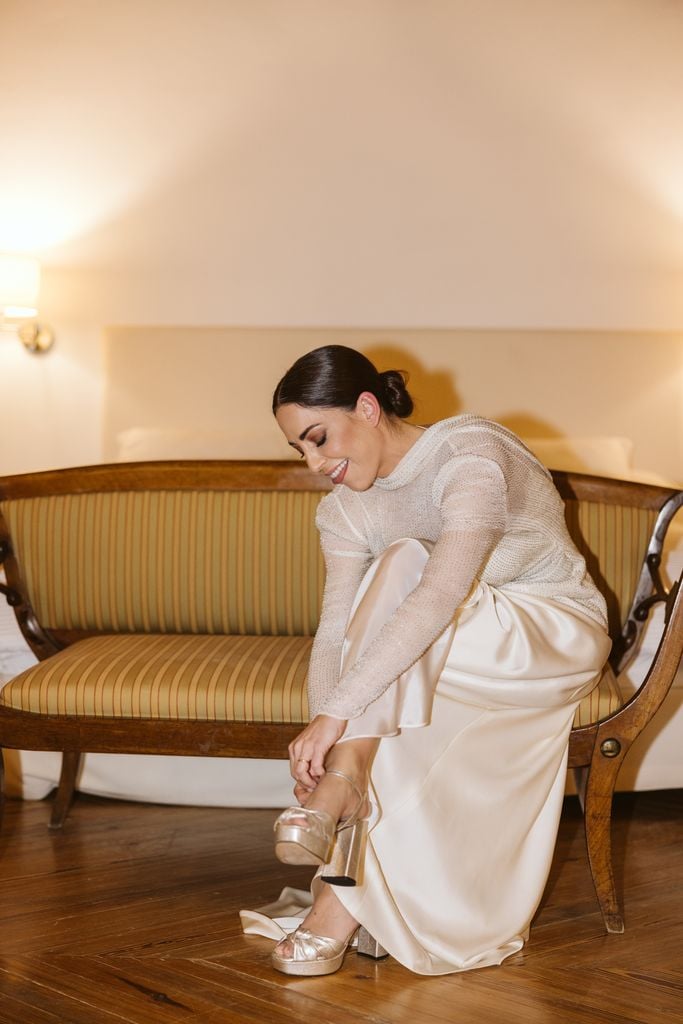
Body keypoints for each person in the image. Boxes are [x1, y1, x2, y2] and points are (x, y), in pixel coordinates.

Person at [261, 344, 610, 977]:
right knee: (388, 703)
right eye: (300, 450)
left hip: (548, 633)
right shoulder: (340, 509)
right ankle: (348, 877)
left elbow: (440, 593)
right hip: (452, 652)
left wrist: (335, 722)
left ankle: (341, 823)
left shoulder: (470, 454)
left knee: (403, 562)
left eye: (318, 438)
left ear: (367, 408)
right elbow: (337, 629)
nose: (314, 463)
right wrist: (320, 727)